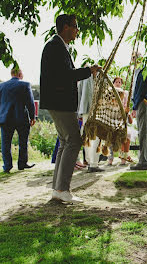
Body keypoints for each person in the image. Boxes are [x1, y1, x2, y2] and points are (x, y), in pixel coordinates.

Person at [40, 14, 98, 203]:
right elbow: (65, 75)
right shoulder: (55, 47)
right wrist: (88, 71)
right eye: (75, 26)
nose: (77, 30)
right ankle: (62, 188)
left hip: (57, 102)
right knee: (74, 140)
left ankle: (58, 189)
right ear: (65, 27)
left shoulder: (57, 46)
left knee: (65, 142)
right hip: (60, 102)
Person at [0, 68, 36, 173]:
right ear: (20, 74)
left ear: (11, 74)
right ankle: (22, 164)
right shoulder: (25, 85)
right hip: (21, 118)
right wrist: (32, 117)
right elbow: (30, 102)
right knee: (23, 142)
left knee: (5, 143)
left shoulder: (1, 86)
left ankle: (7, 166)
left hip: (5, 118)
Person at [77, 66, 104, 172]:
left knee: (91, 136)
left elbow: (79, 95)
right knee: (92, 136)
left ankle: (91, 161)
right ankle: (92, 163)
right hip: (90, 110)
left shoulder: (97, 78)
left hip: (89, 110)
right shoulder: (91, 79)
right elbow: (79, 94)